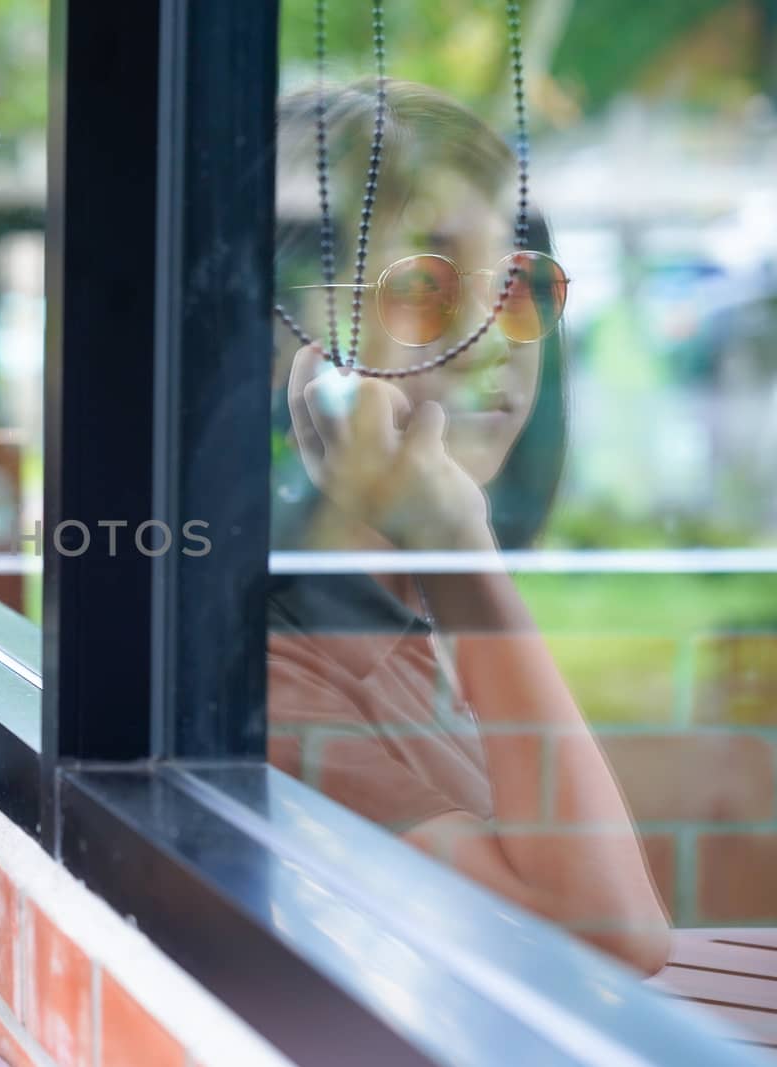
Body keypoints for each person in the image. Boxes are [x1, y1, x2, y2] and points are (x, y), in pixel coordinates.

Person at [267, 79, 672, 974]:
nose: (493, 340)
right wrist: (457, 549)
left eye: (519, 285)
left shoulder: (416, 626)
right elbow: (609, 934)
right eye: (426, 283)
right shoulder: (282, 676)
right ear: (305, 344)